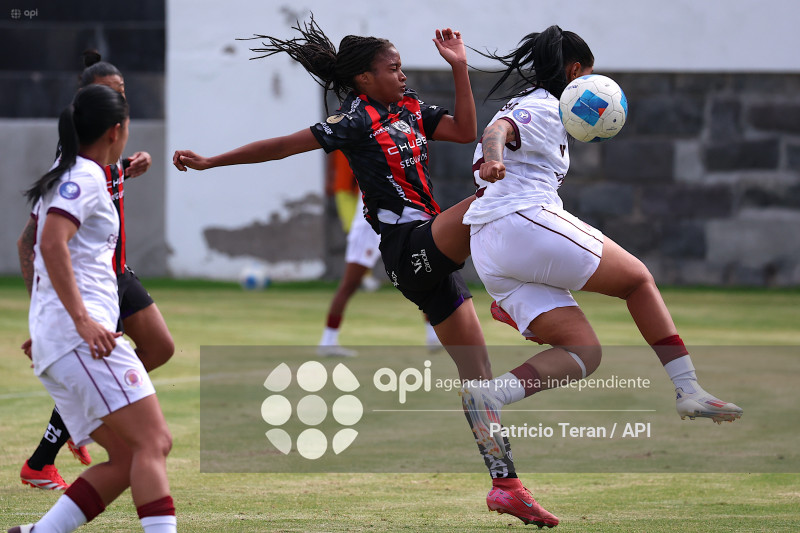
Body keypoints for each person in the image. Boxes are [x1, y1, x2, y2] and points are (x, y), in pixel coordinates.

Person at [173, 16, 549, 527]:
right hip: (406, 246)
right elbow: (281, 146)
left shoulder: (411, 108)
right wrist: (212, 162)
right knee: (492, 200)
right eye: (392, 69)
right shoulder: (353, 120)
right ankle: (508, 296)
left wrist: (460, 67)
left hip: (432, 252)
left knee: (478, 378)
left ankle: (506, 486)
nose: (402, 75)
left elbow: (465, 132)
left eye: (401, 67)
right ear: (364, 78)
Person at [458, 25, 743, 523]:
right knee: (638, 280)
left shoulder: (540, 105)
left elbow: (501, 130)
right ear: (575, 73)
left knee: (583, 352)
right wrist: (496, 160)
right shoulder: (545, 105)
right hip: (521, 222)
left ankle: (491, 395)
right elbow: (496, 131)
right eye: (588, 74)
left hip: (490, 250)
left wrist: (497, 164)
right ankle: (688, 391)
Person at [7, 84, 176, 533]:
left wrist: (50, 326)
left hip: (65, 340)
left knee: (127, 457)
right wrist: (80, 322)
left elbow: (42, 247)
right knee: (153, 443)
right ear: (116, 131)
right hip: (83, 339)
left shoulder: (75, 173)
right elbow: (49, 243)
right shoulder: (82, 176)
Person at [319, 153, 441, 356]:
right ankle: (327, 341)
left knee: (423, 274)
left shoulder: (395, 150)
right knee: (350, 284)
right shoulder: (372, 152)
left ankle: (433, 336)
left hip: (396, 223)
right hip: (368, 228)